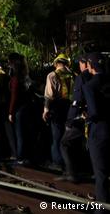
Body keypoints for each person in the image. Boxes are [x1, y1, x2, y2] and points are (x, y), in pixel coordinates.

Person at [81, 52, 109, 208]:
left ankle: (102, 209)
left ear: (90, 66)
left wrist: (87, 116)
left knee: (101, 175)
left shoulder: (89, 86)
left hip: (99, 133)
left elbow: (95, 112)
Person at [58, 55, 91, 183]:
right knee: (78, 144)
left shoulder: (82, 77)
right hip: (90, 115)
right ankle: (77, 171)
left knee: (64, 143)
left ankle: (71, 173)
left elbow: (77, 100)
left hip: (80, 116)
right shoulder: (98, 75)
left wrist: (71, 119)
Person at [43, 53, 75, 171]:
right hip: (71, 109)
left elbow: (49, 96)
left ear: (56, 63)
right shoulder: (74, 75)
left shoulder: (52, 75)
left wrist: (45, 110)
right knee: (69, 137)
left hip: (57, 108)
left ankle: (57, 163)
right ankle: (70, 164)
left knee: (56, 137)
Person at [7, 52, 32, 164]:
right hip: (26, 107)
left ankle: (20, 157)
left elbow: (14, 95)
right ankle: (25, 156)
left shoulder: (15, 78)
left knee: (19, 133)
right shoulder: (25, 76)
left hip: (18, 109)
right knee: (24, 133)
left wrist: (10, 112)